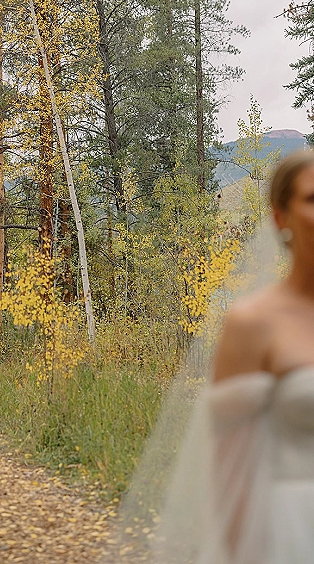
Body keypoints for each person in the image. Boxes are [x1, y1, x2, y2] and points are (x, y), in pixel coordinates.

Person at [134, 149, 314, 564]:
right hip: (292, 535)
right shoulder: (253, 324)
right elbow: (231, 472)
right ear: (280, 217)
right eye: (313, 199)